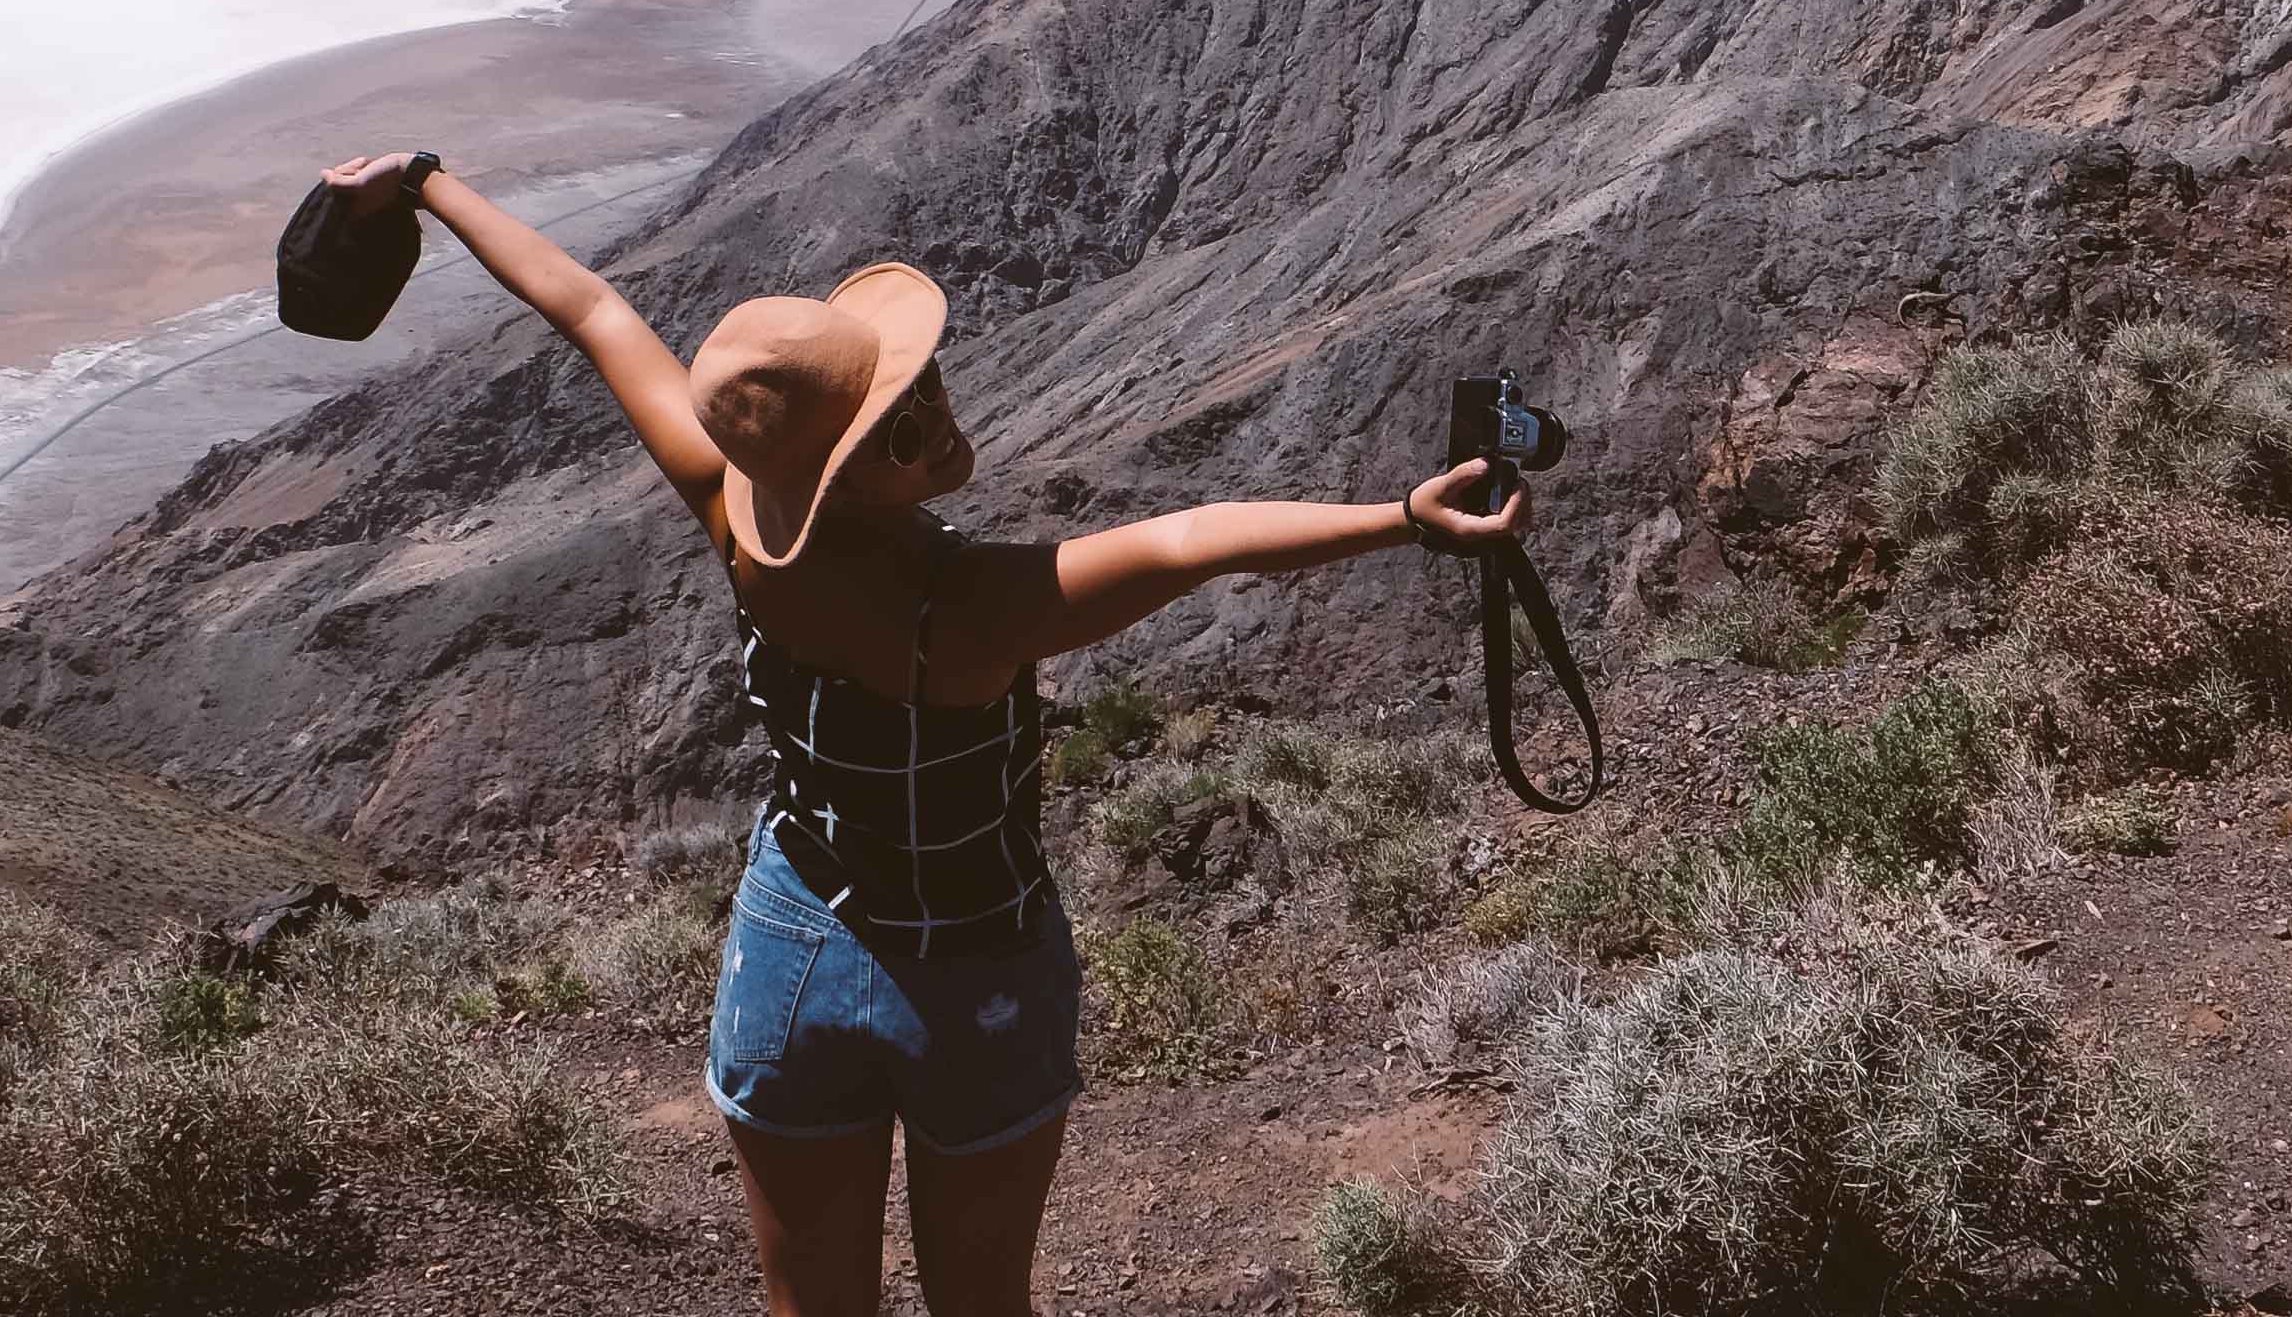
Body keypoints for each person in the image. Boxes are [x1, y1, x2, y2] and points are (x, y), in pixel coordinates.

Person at [310, 151, 1528, 1317]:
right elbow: (1189, 539)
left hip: (790, 948)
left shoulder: (740, 527)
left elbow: (589, 308)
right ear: (838, 477)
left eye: (923, 387)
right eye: (900, 424)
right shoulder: (981, 610)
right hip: (976, 970)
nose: (938, 415)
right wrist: (1402, 520)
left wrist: (422, 181)